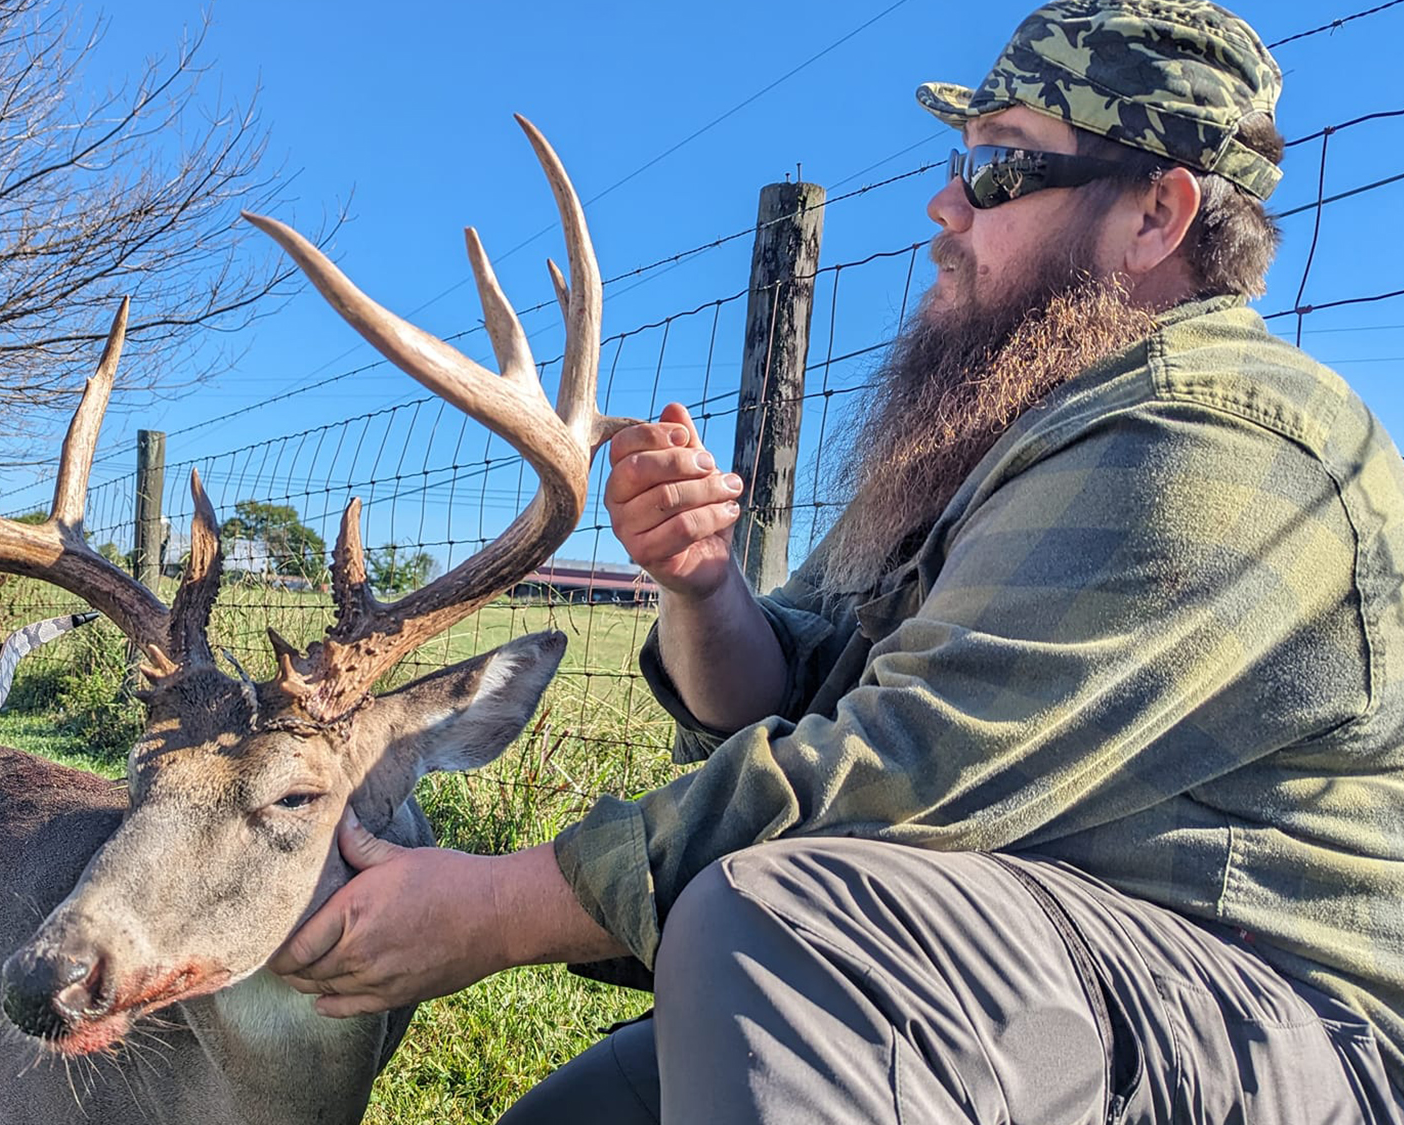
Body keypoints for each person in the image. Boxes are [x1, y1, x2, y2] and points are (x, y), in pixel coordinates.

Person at [268, 1, 1404, 1120]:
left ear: (1156, 212)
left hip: (1278, 1024)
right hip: (1006, 969)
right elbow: (792, 695)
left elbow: (894, 780)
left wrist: (501, 909)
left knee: (778, 914)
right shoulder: (997, 434)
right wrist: (702, 585)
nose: (942, 203)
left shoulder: (1214, 443)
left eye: (999, 169)